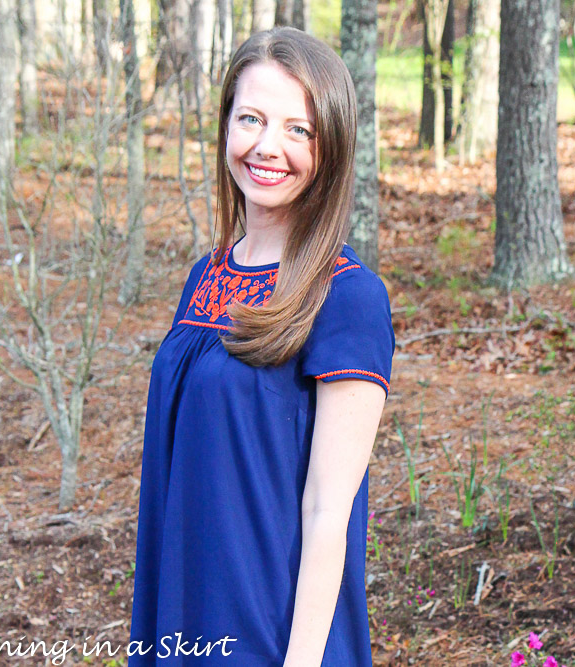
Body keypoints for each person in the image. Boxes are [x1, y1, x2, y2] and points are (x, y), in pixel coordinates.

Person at [128, 28, 395, 666]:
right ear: (226, 128)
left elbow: (331, 509)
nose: (267, 146)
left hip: (275, 633)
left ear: (330, 147)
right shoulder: (206, 276)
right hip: (185, 613)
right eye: (252, 119)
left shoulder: (347, 297)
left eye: (298, 129)